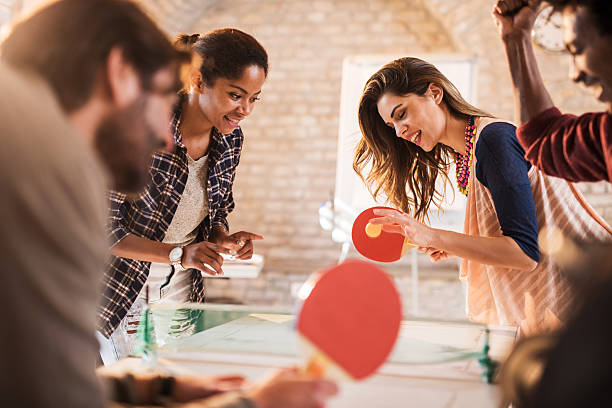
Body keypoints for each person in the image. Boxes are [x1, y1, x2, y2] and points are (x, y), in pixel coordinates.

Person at [0, 1, 337, 407]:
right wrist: (254, 404)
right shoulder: (34, 195)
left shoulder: (27, 168)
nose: (163, 136)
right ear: (118, 74)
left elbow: (51, 384)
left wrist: (150, 388)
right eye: (160, 96)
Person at [353, 57, 612, 335]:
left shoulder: (491, 140)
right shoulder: (466, 153)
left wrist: (432, 235)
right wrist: (451, 243)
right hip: (570, 307)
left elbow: (525, 253)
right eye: (391, 126)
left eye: (401, 114)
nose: (399, 132)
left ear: (435, 93)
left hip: (591, 301)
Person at [98, 28, 267, 363]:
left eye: (254, 98)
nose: (245, 109)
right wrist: (178, 253)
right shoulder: (139, 130)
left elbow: (215, 213)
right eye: (236, 95)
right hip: (120, 292)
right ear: (198, 81)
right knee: (130, 388)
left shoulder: (230, 140)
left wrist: (223, 240)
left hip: (181, 292)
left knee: (175, 383)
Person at [493, 0, 612, 183]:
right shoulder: (606, 134)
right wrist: (515, 38)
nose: (574, 75)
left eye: (578, 50)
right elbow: (542, 138)